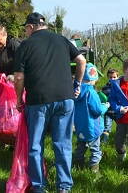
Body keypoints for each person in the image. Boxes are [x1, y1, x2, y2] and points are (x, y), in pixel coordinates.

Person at [13, 12, 86, 193]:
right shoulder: (61, 39)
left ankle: (39, 187)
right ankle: (64, 186)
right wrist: (76, 84)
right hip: (64, 98)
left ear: (30, 27)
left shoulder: (25, 45)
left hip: (38, 100)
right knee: (62, 144)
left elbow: (19, 76)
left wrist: (18, 98)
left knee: (36, 145)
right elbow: (81, 60)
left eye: (26, 29)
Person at [73, 63, 109, 173]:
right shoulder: (91, 92)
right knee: (95, 149)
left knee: (81, 146)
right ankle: (94, 171)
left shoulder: (75, 91)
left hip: (80, 126)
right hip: (93, 126)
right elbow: (97, 110)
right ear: (92, 78)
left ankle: (78, 166)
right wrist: (105, 106)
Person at [100, 68, 119, 144]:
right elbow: (103, 99)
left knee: (121, 126)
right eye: (110, 77)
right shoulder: (105, 88)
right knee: (107, 126)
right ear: (108, 77)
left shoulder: (119, 88)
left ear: (117, 77)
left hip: (118, 111)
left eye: (114, 77)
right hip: (108, 111)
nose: (112, 79)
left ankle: (121, 139)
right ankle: (104, 141)